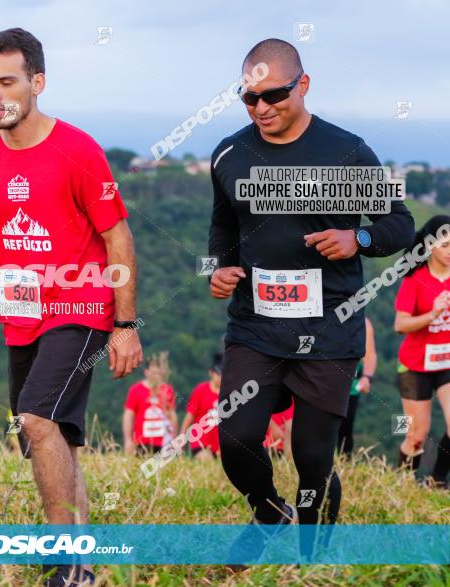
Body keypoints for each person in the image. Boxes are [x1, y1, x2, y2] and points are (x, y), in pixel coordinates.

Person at [0, 28, 142, 586]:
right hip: (22, 317)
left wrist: (125, 324)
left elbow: (118, 239)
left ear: (37, 83)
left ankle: (62, 562)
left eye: (8, 82)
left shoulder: (78, 150)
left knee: (38, 420)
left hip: (82, 306)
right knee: (52, 436)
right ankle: (85, 562)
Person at [208, 38, 414, 560]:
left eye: (272, 95)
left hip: (329, 326)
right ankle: (269, 513)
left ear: (303, 84)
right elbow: (223, 223)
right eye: (248, 98)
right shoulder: (231, 155)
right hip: (256, 323)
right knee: (235, 435)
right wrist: (220, 267)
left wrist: (358, 240)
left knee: (312, 454)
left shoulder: (345, 153)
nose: (261, 108)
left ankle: (310, 555)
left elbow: (399, 225)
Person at [393, 215, 450, 488]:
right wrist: (433, 314)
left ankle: (436, 481)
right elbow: (400, 325)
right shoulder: (415, 280)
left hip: (446, 364)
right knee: (416, 434)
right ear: (430, 246)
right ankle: (402, 484)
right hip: (414, 366)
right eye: (445, 245)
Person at [123, 352, 177, 456]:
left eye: (158, 373)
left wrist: (174, 438)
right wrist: (128, 439)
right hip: (141, 442)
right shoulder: (136, 390)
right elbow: (128, 415)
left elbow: (172, 415)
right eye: (153, 372)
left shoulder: (167, 390)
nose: (156, 376)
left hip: (162, 442)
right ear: (146, 372)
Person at [337, 317, 376, 455]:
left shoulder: (363, 322)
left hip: (351, 384)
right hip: (322, 381)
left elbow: (370, 354)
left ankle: (344, 462)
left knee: (346, 427)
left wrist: (367, 377)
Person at [180, 352, 223, 459]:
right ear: (211, 373)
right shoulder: (201, 390)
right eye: (219, 374)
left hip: (221, 445)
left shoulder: (230, 393)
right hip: (201, 442)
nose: (222, 377)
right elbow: (189, 418)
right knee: (205, 460)